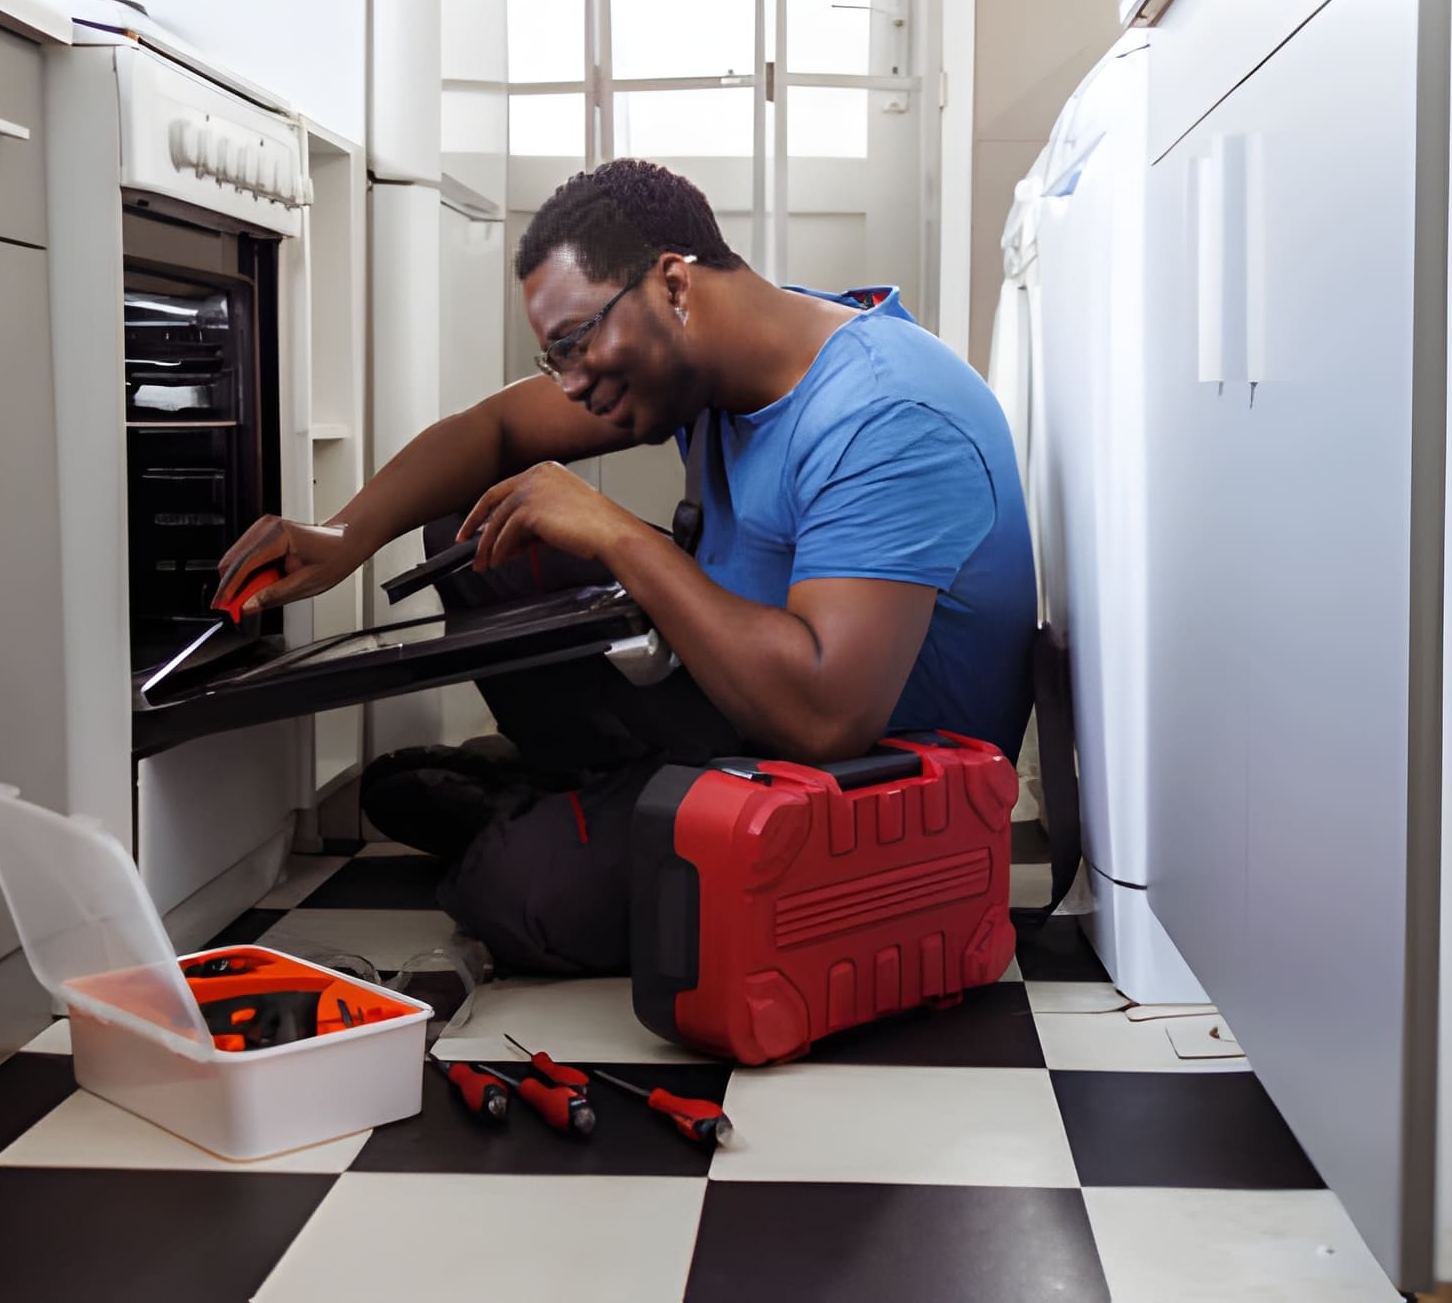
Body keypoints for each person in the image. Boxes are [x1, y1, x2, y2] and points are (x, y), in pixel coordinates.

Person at [211, 158, 1036, 974]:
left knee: (518, 899)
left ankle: (547, 812)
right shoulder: (731, 361)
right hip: (749, 702)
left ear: (674, 287)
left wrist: (616, 534)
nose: (569, 387)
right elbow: (494, 432)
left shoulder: (887, 415)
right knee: (479, 528)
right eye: (553, 361)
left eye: (576, 344)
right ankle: (584, 792)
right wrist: (345, 535)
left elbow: (827, 719)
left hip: (880, 791)